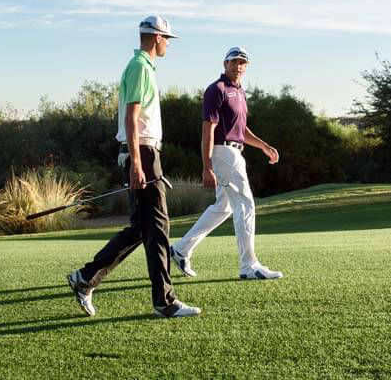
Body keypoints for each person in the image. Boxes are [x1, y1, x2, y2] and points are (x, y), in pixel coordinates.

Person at [66, 16, 201, 318]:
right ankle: (164, 302)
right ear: (155, 37)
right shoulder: (141, 67)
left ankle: (85, 278)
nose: (168, 43)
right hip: (142, 153)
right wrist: (138, 164)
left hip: (141, 152)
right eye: (167, 38)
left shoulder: (139, 66)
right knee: (159, 228)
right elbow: (132, 116)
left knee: (142, 229)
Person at [170, 46, 283, 280]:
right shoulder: (217, 90)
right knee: (246, 205)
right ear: (225, 64)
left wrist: (263, 145)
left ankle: (181, 250)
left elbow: (241, 130)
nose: (239, 66)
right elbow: (207, 130)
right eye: (235, 62)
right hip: (222, 152)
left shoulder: (240, 92)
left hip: (234, 151)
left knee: (224, 207)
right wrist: (207, 166)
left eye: (243, 63)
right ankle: (248, 265)